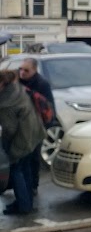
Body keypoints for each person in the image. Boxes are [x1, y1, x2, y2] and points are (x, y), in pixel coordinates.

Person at [0, 69, 47, 216]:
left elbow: (9, 128)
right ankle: (25, 203)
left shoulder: (6, 102)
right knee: (25, 169)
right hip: (33, 135)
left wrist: (5, 144)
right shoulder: (17, 89)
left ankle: (23, 206)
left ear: (2, 83)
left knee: (16, 171)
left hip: (22, 140)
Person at [18, 58, 54, 193]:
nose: (22, 73)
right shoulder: (18, 82)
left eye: (26, 70)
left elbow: (49, 106)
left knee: (34, 157)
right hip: (22, 126)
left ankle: (33, 185)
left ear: (34, 70)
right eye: (20, 69)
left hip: (37, 126)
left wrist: (47, 125)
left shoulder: (41, 84)